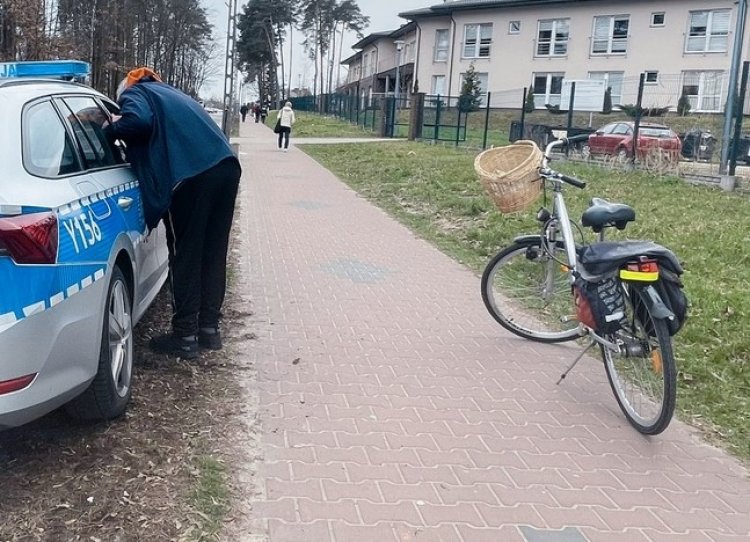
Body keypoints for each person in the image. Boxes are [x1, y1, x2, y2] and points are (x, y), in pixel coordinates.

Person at [103, 67, 241, 359]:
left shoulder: (135, 92)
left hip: (192, 176)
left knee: (186, 253)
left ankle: (185, 337)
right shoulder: (171, 93)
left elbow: (137, 122)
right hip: (226, 167)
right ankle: (208, 330)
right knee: (212, 252)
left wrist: (111, 126)